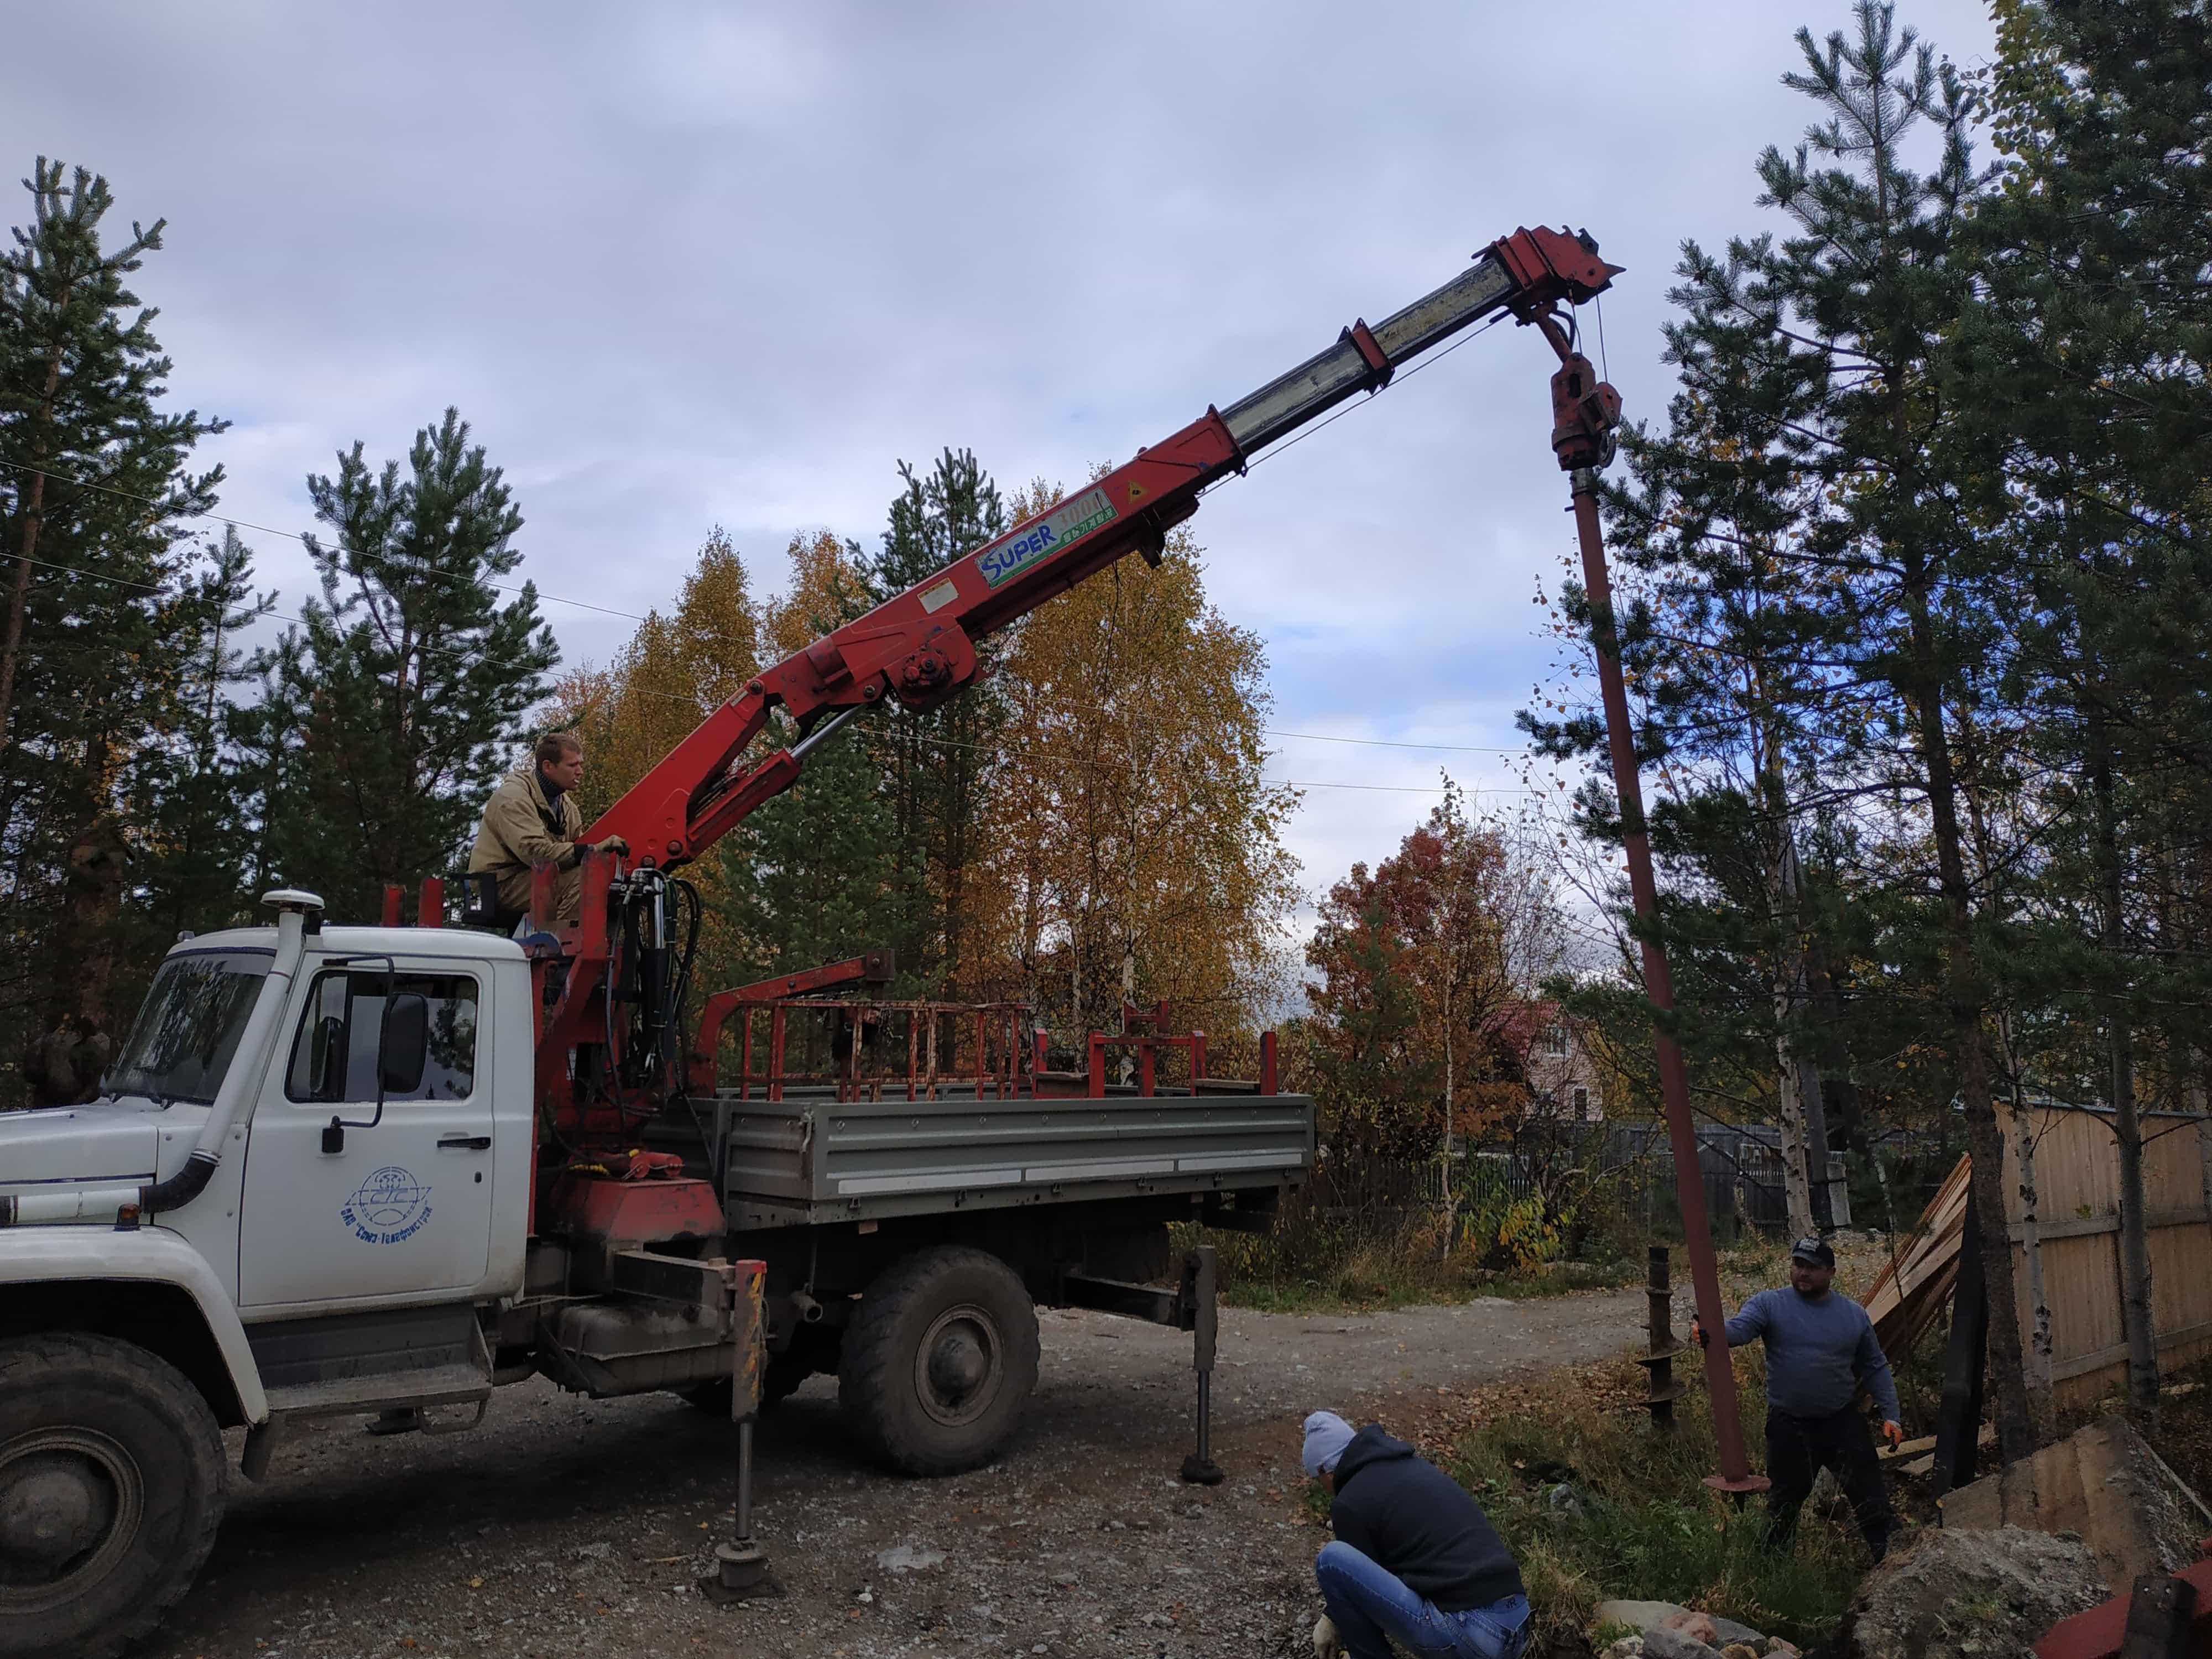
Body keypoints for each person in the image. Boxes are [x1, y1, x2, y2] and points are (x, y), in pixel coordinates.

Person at [1693, 1234, 1902, 1560]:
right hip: (1789, 1426)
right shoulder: (1770, 1304)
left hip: (1841, 1424)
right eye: (1798, 1264)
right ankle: (1774, 1576)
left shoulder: (1853, 1315)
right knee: (1783, 1508)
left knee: (1872, 1501)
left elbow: (1875, 1366)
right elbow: (1739, 1330)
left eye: (1812, 1267)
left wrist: (1891, 1415)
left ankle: (1894, 1564)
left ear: (1831, 1272)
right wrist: (1712, 1333)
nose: (1803, 1273)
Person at [1302, 1410, 1530, 1659]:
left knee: (1331, 1560)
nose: (1322, 1488)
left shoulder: (1349, 1503)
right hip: (1517, 1624)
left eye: (1317, 1479)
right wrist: (1332, 1615)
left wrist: (1335, 1620)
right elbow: (1380, 1572)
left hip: (1474, 1633)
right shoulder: (1411, 1468)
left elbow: (1358, 1586)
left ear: (1325, 1469)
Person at [466, 732, 627, 928]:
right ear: (548, 767)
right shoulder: (513, 798)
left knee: (606, 879)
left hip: (535, 875)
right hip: (499, 883)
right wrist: (592, 850)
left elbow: (571, 849)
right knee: (586, 877)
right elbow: (534, 852)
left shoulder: (568, 808)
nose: (580, 771)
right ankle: (556, 945)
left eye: (580, 764)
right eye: (572, 765)